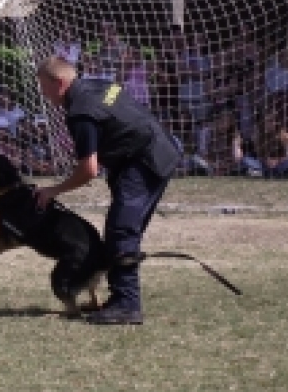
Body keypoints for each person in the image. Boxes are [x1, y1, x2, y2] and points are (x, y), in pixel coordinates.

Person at [33, 56, 181, 325]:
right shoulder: (99, 85)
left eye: (44, 87)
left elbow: (88, 170)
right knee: (123, 230)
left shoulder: (80, 112)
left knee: (121, 229)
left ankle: (127, 304)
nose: (43, 95)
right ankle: (119, 298)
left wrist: (53, 190)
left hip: (143, 160)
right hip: (158, 149)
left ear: (60, 83)